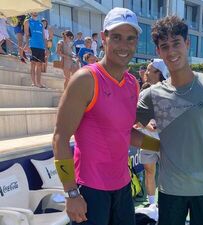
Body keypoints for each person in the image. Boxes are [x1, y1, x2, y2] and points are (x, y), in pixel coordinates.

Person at [135, 15, 203, 225]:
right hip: (170, 191)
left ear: (187, 43)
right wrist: (156, 144)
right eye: (165, 46)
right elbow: (122, 128)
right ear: (158, 52)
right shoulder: (152, 94)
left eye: (176, 43)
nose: (171, 51)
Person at [52, 7, 145, 225]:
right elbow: (60, 138)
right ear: (103, 38)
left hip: (122, 188)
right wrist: (71, 193)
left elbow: (125, 133)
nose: (124, 46)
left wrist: (161, 144)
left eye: (130, 39)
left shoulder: (132, 83)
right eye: (117, 37)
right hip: (90, 190)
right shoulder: (86, 79)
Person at [138, 58, 168, 207]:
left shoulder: (171, 92)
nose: (145, 72)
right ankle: (151, 205)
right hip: (148, 141)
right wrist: (145, 124)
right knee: (149, 171)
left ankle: (167, 205)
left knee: (167, 175)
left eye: (149, 70)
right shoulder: (143, 92)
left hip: (167, 143)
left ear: (159, 73)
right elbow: (136, 118)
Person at [24, 12, 46, 88]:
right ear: (31, 12)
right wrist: (27, 45)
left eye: (37, 11)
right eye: (34, 11)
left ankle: (39, 83)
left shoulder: (41, 24)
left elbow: (43, 36)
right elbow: (26, 34)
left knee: (39, 65)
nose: (35, 12)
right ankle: (34, 83)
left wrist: (46, 48)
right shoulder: (27, 21)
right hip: (32, 45)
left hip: (41, 47)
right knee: (33, 64)